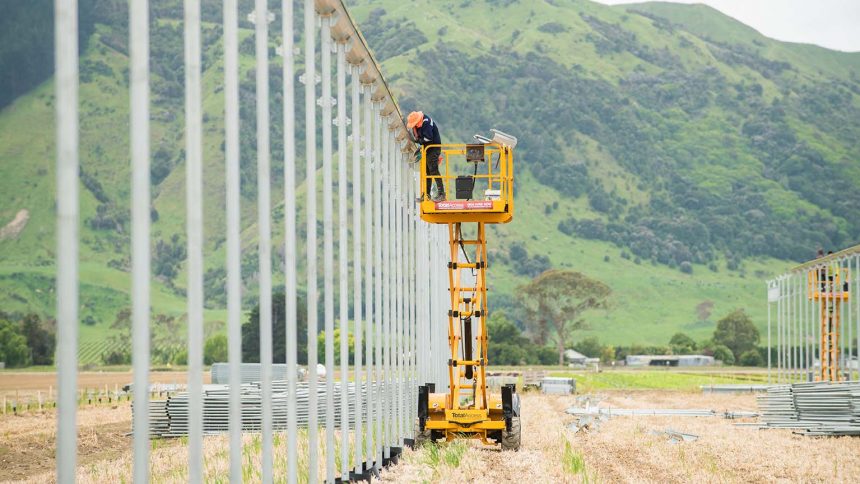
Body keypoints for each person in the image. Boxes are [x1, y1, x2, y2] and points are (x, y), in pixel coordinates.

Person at [407, 111, 445, 201]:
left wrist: (418, 141)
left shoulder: (426, 122)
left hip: (433, 148)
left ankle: (442, 194)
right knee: (427, 172)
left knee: (434, 170)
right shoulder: (417, 126)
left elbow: (428, 138)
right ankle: (427, 195)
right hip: (427, 149)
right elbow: (420, 138)